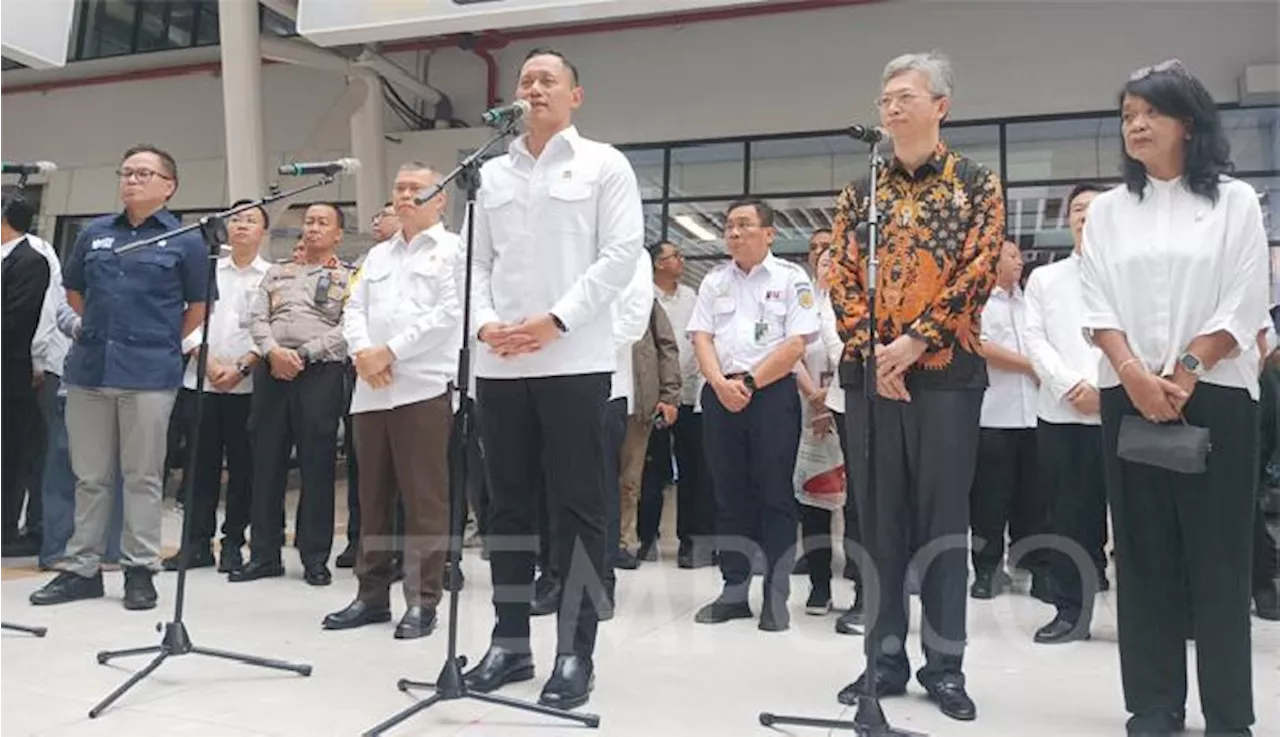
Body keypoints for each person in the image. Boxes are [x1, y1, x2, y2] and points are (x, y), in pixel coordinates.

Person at [1079, 59, 1268, 736]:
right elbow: (1094, 297)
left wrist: (1186, 369)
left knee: (1218, 558)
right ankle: (1154, 705)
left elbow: (1245, 297)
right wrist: (1132, 372)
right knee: (1143, 551)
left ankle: (1227, 713)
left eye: (1150, 112)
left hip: (1214, 395)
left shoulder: (1235, 203)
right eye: (1128, 114)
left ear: (1188, 122)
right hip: (1128, 395)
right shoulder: (1106, 211)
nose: (1135, 124)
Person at [461, 47, 643, 711]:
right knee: (505, 508)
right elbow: (474, 262)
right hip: (500, 364)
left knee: (579, 510)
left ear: (576, 95)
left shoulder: (603, 165)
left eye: (548, 79)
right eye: (526, 79)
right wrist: (486, 326)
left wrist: (555, 321)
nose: (534, 88)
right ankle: (510, 641)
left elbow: (621, 255)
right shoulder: (491, 175)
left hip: (574, 362)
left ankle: (576, 650)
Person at [828, 51, 1003, 722]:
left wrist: (913, 342)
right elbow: (840, 274)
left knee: (941, 526)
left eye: (906, 96)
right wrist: (875, 350)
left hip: (946, 378)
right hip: (871, 377)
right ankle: (883, 658)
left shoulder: (977, 183)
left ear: (941, 106)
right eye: (885, 98)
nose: (892, 107)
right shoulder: (859, 192)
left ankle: (944, 665)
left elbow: (978, 269)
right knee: (878, 523)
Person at [30, 144, 212, 611]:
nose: (131, 180)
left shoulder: (187, 239)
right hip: (90, 369)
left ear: (168, 186)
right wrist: (98, 331)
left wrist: (156, 341)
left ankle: (139, 569)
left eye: (144, 173)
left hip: (149, 373)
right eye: (127, 172)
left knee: (142, 477)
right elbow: (73, 291)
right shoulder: (94, 234)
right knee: (89, 476)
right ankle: (82, 569)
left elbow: (197, 307)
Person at [324, 163, 461, 640]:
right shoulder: (377, 256)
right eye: (399, 188)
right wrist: (364, 354)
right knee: (372, 496)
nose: (405, 195)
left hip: (422, 384)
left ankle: (422, 601)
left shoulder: (454, 252)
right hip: (371, 389)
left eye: (416, 189)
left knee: (425, 498)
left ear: (440, 198)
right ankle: (370, 595)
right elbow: (353, 308)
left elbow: (450, 315)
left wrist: (391, 352)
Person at [688, 198, 818, 633]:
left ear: (769, 233)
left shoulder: (791, 279)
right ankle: (734, 590)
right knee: (728, 495)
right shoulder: (713, 281)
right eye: (728, 226)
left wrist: (750, 383)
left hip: (771, 395)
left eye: (744, 225)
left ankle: (775, 594)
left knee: (774, 495)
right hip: (720, 394)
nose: (734, 233)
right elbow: (701, 338)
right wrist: (720, 384)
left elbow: (797, 343)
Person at [235, 203, 351, 587]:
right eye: (309, 222)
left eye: (323, 223)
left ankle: (315, 557)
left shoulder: (348, 277)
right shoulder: (277, 272)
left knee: (317, 465)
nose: (313, 228)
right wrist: (272, 351)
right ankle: (264, 555)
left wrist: (303, 354)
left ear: (338, 234)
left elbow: (350, 326)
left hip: (319, 372)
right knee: (266, 462)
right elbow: (257, 318)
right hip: (273, 371)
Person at [163, 201, 271, 574]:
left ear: (263, 232)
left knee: (243, 470)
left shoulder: (271, 276)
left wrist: (242, 367)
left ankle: (232, 544)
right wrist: (206, 362)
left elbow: (273, 328)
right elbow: (186, 319)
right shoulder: (205, 270)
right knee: (198, 467)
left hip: (249, 386)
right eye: (236, 219)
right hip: (200, 381)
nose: (241, 225)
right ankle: (195, 544)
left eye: (251, 220)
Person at [1023, 182, 1110, 644]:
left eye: (1095, 209)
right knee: (1066, 518)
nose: (1085, 215)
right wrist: (1069, 385)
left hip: (1124, 410)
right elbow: (1034, 340)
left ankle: (1156, 614)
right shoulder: (1046, 279)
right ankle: (1070, 612)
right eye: (1077, 209)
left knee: (1140, 519)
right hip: (1062, 414)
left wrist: (1109, 391)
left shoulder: (1130, 273)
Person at [970, 240, 1046, 600]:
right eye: (1012, 255)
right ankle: (986, 570)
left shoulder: (1031, 301)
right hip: (993, 414)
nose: (1019, 261)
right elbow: (981, 346)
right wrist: (1033, 365)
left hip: (1033, 413)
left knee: (1032, 498)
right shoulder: (978, 301)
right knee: (989, 499)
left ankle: (1032, 565)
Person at [637, 241, 715, 568]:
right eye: (673, 256)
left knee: (694, 470)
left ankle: (690, 541)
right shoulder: (643, 298)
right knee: (651, 470)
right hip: (655, 396)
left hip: (690, 395)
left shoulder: (692, 298)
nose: (680, 260)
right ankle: (645, 538)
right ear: (656, 264)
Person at [0, 187, 51, 558]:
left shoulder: (30, 261)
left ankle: (4, 529)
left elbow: (16, 321)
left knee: (9, 455)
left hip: (9, 373)